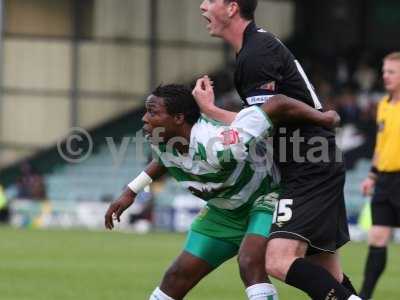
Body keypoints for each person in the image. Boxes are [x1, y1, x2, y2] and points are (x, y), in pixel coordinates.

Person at [104, 84, 339, 300]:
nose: (145, 118)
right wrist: (130, 191)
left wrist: (323, 117)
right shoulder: (161, 138)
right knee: (177, 275)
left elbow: (278, 103)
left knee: (249, 262)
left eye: (152, 112)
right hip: (224, 211)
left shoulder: (219, 145)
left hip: (265, 198)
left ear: (178, 118)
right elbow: (164, 160)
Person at [196, 1, 360, 299]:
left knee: (277, 259)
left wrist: (221, 147)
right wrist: (212, 111)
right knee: (327, 275)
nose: (202, 5)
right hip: (311, 162)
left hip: (309, 165)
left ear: (232, 7)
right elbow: (260, 120)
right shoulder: (255, 48)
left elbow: (267, 117)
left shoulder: (257, 53)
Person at [359, 52, 400, 299]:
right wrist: (371, 176)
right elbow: (380, 145)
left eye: (392, 72)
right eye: (384, 71)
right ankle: (364, 295)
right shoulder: (383, 105)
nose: (385, 76)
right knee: (377, 236)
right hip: (384, 181)